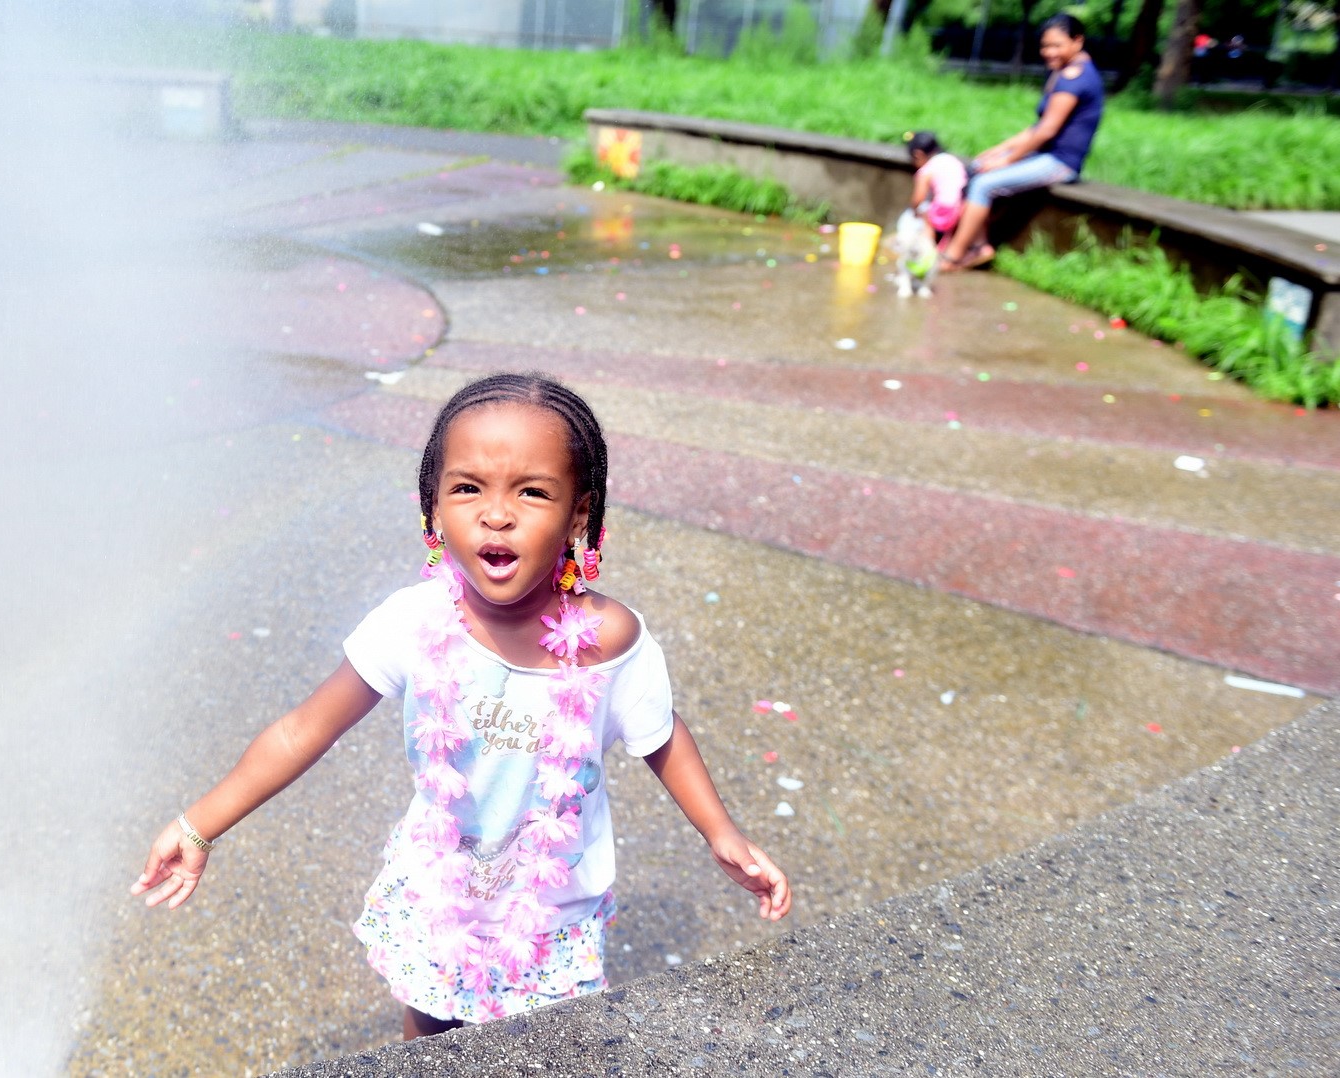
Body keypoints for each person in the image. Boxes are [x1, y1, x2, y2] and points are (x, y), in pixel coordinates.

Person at [132, 372, 792, 1040]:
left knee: (546, 1042)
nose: (495, 513)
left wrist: (720, 832)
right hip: (439, 888)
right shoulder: (411, 622)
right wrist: (197, 826)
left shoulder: (611, 640)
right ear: (433, 508)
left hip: (552, 903)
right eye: (467, 488)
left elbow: (660, 736)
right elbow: (303, 729)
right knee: (431, 1029)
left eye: (532, 492)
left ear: (579, 513)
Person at [942, 13, 1104, 271]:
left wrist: (1005, 161)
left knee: (984, 184)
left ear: (1078, 41)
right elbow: (1036, 129)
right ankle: (978, 246)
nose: (1049, 52)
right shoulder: (1065, 72)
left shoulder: (1074, 79)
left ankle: (953, 256)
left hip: (1060, 162)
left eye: (1057, 45)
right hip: (1044, 155)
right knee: (977, 168)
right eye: (1045, 46)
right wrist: (996, 152)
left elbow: (1046, 132)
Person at [905, 130, 968, 242]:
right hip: (964, 207)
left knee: (925, 215)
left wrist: (914, 211)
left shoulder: (926, 170)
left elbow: (918, 198)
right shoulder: (950, 159)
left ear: (918, 155)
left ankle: (927, 248)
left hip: (945, 210)